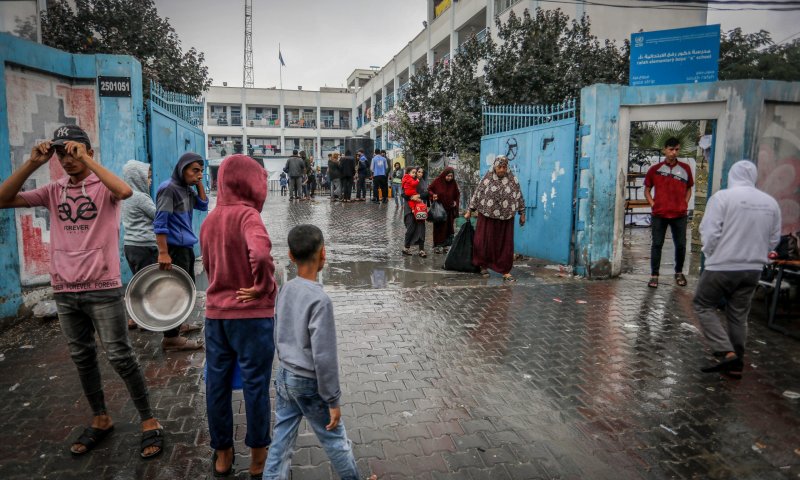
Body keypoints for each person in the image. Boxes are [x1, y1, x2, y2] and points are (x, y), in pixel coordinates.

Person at [0, 125, 164, 458]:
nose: (67, 158)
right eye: (62, 153)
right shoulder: (53, 190)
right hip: (65, 289)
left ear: (87, 151)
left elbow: (124, 191)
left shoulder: (103, 187)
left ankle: (149, 420)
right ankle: (101, 417)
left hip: (102, 287)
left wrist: (87, 161)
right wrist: (33, 163)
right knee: (82, 358)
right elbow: (3, 199)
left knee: (120, 355)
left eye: (74, 150)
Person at [263, 225, 377, 480]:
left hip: (285, 376)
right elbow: (324, 357)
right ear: (323, 253)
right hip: (309, 383)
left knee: (281, 441)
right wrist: (332, 399)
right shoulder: (320, 300)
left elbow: (277, 332)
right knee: (335, 439)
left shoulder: (285, 290)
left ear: (291, 257)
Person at [200, 154, 277, 477]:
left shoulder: (210, 219)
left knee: (216, 385)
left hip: (216, 315)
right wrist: (262, 285)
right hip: (251, 316)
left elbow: (207, 266)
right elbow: (259, 253)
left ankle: (223, 455)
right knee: (255, 385)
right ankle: (258, 458)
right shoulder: (248, 217)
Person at [694, 160, 781, 379]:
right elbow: (774, 239)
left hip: (721, 265)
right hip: (752, 268)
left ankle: (725, 351)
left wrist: (710, 254)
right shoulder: (770, 203)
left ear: (731, 175)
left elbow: (710, 232)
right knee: (738, 315)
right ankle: (736, 363)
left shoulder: (722, 198)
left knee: (703, 304)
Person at [153, 152, 206, 351]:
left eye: (200, 171)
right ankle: (170, 338)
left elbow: (203, 204)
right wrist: (163, 252)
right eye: (194, 170)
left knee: (185, 289)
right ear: (182, 169)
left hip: (185, 248)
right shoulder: (169, 189)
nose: (198, 174)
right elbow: (160, 223)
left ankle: (177, 326)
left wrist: (198, 182)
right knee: (175, 292)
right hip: (174, 249)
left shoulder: (185, 188)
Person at [465, 156, 526, 282]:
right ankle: (483, 265)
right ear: (495, 166)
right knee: (484, 242)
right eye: (499, 167)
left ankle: (505, 270)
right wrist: (469, 211)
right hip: (487, 216)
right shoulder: (487, 179)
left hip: (506, 217)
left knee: (505, 244)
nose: (502, 170)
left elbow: (519, 196)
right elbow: (477, 193)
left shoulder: (513, 180)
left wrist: (522, 213)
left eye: (504, 167)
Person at [644, 137, 694, 288]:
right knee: (657, 244)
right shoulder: (655, 169)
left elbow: (689, 189)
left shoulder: (685, 168)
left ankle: (679, 272)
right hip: (659, 214)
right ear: (664, 150)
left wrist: (684, 204)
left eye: (677, 149)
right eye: (671, 149)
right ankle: (654, 275)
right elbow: (647, 190)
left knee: (681, 245)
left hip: (679, 215)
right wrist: (653, 205)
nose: (674, 153)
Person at [122, 160, 157, 330]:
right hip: (145, 245)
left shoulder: (124, 196)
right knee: (147, 284)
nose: (150, 181)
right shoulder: (141, 197)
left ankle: (134, 318)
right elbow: (157, 216)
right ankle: (144, 320)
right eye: (148, 178)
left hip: (129, 245)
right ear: (138, 179)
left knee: (137, 282)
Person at [428, 166, 460, 254]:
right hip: (440, 210)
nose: (449, 178)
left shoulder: (453, 183)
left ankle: (446, 245)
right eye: (448, 176)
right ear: (444, 174)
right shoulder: (438, 181)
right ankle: (437, 246)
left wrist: (455, 202)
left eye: (451, 176)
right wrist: (433, 195)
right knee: (439, 228)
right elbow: (429, 189)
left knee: (449, 228)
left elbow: (457, 194)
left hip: (449, 210)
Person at [401, 166, 428, 257]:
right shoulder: (409, 180)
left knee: (421, 228)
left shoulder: (423, 182)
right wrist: (412, 197)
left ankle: (421, 249)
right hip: (409, 207)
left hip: (420, 208)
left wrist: (419, 196)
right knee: (411, 227)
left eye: (422, 172)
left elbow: (427, 194)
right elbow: (403, 193)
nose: (420, 174)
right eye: (418, 172)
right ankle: (406, 248)